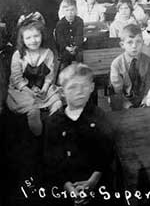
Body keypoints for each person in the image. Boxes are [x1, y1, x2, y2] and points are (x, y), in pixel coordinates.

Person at [43, 63, 114, 206]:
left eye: (84, 86)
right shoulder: (54, 122)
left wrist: (92, 181)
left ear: (92, 88)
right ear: (62, 92)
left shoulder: (100, 116)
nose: (79, 92)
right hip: (65, 183)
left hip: (97, 181)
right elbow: (51, 159)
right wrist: (67, 186)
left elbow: (107, 154)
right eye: (73, 87)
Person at [7, 20, 62, 136]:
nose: (33, 40)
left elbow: (49, 75)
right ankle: (38, 135)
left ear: (42, 35)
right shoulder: (19, 55)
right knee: (32, 108)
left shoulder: (47, 53)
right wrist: (30, 91)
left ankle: (52, 130)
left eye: (36, 36)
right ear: (23, 40)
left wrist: (45, 88)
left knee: (57, 102)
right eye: (28, 38)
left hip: (42, 87)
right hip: (23, 89)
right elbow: (16, 79)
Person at [110, 24, 150, 110]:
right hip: (124, 102)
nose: (134, 46)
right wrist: (127, 105)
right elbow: (117, 90)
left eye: (138, 41)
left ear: (143, 43)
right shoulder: (117, 64)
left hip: (144, 101)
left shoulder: (148, 62)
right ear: (122, 44)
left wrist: (145, 100)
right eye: (130, 42)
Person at [55, 0, 84, 70]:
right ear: (63, 11)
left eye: (72, 10)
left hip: (77, 47)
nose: (70, 13)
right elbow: (60, 39)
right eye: (67, 10)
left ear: (76, 10)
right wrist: (68, 48)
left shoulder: (79, 21)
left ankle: (79, 74)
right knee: (65, 61)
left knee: (80, 57)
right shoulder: (60, 24)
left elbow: (79, 35)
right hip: (65, 48)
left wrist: (75, 47)